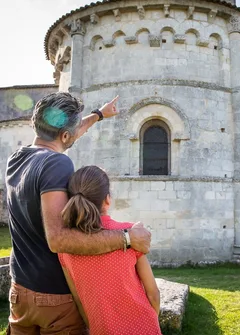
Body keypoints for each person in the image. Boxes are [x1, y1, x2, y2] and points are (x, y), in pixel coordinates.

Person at [5, 92, 151, 334]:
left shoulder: (16, 159)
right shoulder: (56, 163)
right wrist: (127, 238)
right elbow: (58, 239)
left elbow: (69, 134)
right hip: (54, 298)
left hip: (19, 291)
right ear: (64, 135)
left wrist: (99, 115)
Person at [59, 165, 162, 335]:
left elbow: (79, 300)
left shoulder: (65, 247)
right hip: (145, 327)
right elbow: (153, 293)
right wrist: (152, 322)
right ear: (107, 199)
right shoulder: (130, 234)